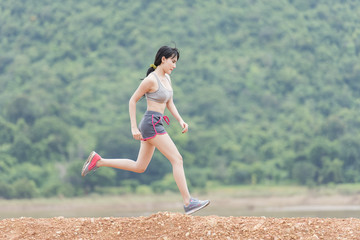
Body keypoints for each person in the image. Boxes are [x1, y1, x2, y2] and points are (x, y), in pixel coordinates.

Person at [81, 46, 210, 215]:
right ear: (163, 59)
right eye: (173, 61)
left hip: (156, 124)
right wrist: (134, 127)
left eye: (176, 62)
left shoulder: (167, 79)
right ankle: (188, 202)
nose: (175, 66)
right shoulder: (151, 80)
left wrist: (180, 120)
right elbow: (132, 100)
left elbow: (169, 102)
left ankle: (98, 161)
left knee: (140, 166)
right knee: (177, 159)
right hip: (151, 124)